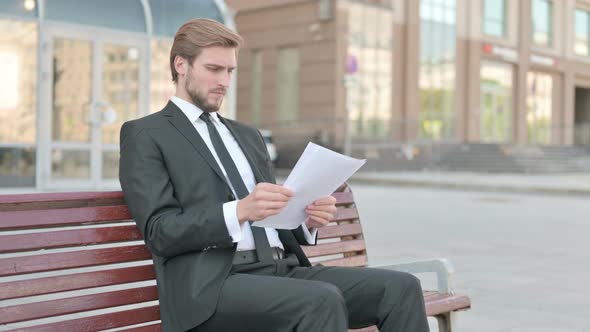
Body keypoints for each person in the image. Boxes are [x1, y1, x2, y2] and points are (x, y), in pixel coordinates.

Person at [119, 18, 429, 332]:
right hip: (212, 287)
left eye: (230, 71)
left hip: (282, 269)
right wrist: (239, 211)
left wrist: (305, 220)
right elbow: (159, 231)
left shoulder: (247, 136)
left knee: (400, 288)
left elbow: (271, 222)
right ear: (181, 65)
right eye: (214, 69)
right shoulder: (146, 134)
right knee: (320, 300)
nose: (224, 81)